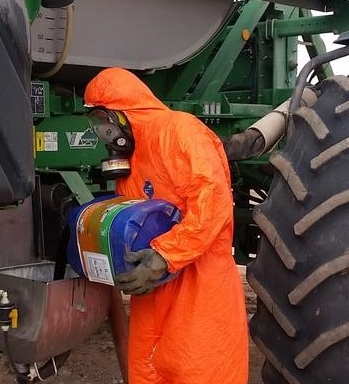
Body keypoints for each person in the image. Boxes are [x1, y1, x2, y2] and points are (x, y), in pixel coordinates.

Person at [84, 67, 249, 384]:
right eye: (95, 124)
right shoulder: (132, 157)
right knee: (149, 370)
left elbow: (212, 201)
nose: (103, 132)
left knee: (200, 369)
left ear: (124, 112)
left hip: (199, 288)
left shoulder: (179, 132)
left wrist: (164, 256)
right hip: (154, 292)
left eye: (104, 120)